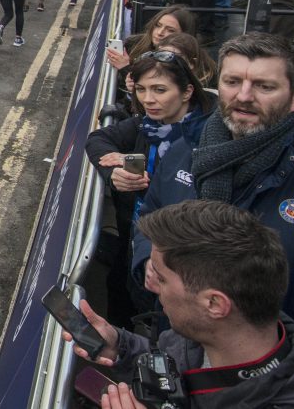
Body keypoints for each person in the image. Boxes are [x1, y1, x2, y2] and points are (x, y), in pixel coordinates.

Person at [130, 32, 294, 323]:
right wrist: (147, 259)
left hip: (274, 355)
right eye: (232, 82)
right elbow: (150, 218)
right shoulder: (186, 147)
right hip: (178, 338)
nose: (244, 97)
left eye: (264, 86)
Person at [69, 201, 294, 408]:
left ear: (214, 303)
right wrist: (120, 347)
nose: (153, 286)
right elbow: (169, 366)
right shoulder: (202, 334)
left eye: (161, 278)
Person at [85, 51, 214, 324]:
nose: (148, 100)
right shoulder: (149, 124)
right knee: (121, 301)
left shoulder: (208, 139)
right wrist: (114, 172)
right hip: (133, 241)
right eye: (142, 90)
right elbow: (98, 140)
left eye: (160, 90)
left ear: (187, 91)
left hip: (175, 264)